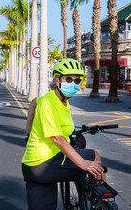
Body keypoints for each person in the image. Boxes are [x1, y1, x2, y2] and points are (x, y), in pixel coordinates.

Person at [22, 58, 105, 210]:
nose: (73, 83)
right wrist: (82, 163)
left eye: (77, 80)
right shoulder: (49, 103)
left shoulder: (56, 100)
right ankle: (102, 203)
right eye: (68, 79)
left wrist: (29, 133)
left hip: (32, 166)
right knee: (94, 156)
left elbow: (34, 102)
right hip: (46, 163)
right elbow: (57, 138)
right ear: (57, 80)